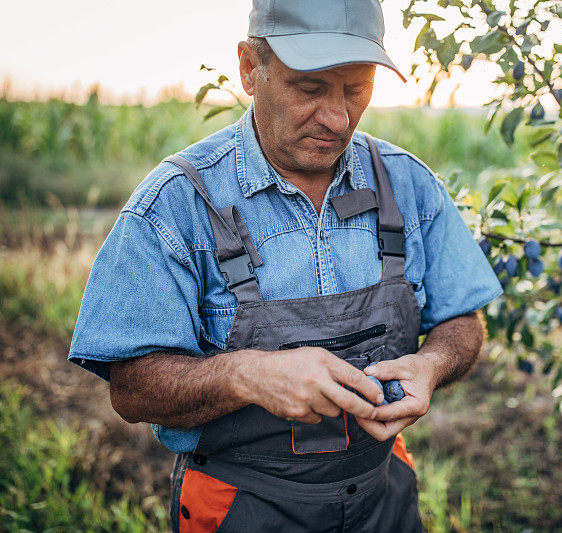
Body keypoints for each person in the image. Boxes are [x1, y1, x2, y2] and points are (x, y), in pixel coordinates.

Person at [68, 0, 502, 531]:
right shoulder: (175, 206)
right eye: (311, 88)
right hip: (241, 507)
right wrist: (248, 375)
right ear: (251, 69)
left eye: (356, 88)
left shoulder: (408, 184)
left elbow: (463, 320)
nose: (338, 118)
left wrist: (431, 366)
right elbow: (131, 388)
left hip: (382, 497)